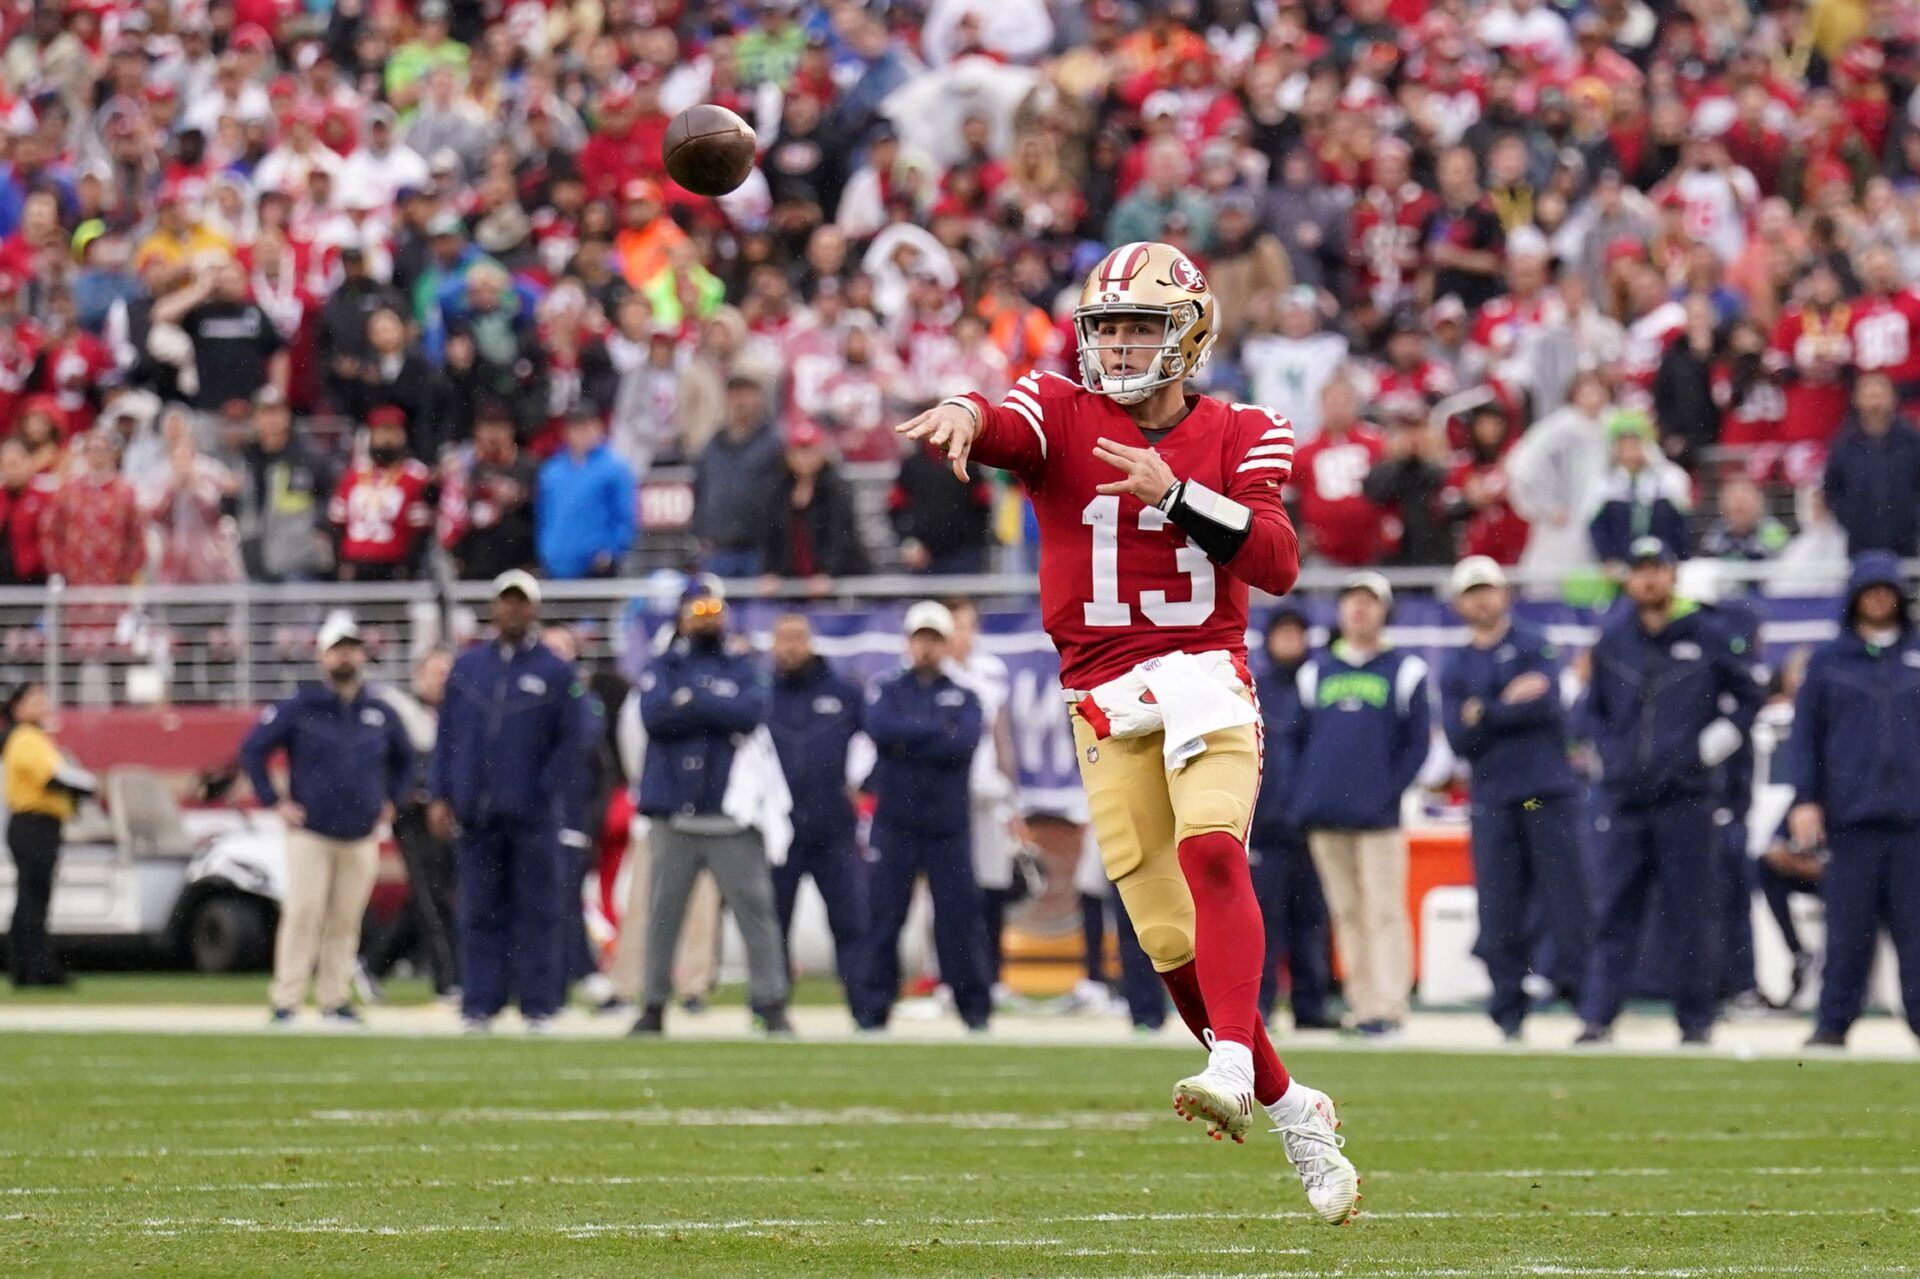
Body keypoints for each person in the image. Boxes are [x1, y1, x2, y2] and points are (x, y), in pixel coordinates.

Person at [895, 240, 1355, 1223]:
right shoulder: (1062, 408)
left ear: (1187, 334)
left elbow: (1276, 561)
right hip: (1101, 691)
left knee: (1212, 850)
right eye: (1105, 327)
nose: (1116, 345)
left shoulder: (1242, 428)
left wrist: (1177, 495)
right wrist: (963, 411)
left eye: (1139, 326)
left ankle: (1233, 1058)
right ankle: (1291, 1104)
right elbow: (1008, 419)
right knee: (1163, 937)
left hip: (1202, 674)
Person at [1576, 537, 1765, 1046]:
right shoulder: (1612, 639)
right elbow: (1588, 710)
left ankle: (1696, 1021)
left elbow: (1749, 696)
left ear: (1672, 575)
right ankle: (1597, 1017)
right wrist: (1610, 754)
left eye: (1657, 568)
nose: (1649, 579)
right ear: (1630, 580)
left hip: (1687, 796)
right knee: (1615, 910)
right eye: (1640, 570)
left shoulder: (1708, 634)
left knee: (1692, 911)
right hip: (1625, 799)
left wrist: (1712, 746)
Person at [429, 572, 593, 1034]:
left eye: (521, 603)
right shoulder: (468, 668)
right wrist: (443, 792)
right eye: (506, 602)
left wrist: (543, 791)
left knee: (538, 910)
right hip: (478, 811)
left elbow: (572, 742)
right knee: (479, 909)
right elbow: (448, 737)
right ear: (494, 608)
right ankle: (481, 1003)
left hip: (533, 814)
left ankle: (539, 1005)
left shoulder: (555, 672)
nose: (513, 611)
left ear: (534, 610)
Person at [630, 578, 792, 1037]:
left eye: (713, 610)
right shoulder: (664, 664)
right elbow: (655, 716)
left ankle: (771, 1002)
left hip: (730, 813)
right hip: (676, 811)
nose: (705, 618)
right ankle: (654, 1004)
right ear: (681, 616)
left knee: (755, 912)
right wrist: (713, 702)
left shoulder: (742, 665)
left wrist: (692, 699)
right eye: (697, 610)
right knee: (663, 915)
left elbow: (750, 712)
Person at [1438, 557, 1591, 1040]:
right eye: (1472, 591)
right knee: (1498, 906)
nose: (1482, 598)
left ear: (1504, 593)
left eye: (1488, 588)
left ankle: (1588, 1004)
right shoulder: (1458, 662)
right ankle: (1508, 1010)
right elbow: (1460, 739)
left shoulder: (1533, 642)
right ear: (1460, 602)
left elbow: (1546, 705)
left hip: (1544, 793)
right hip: (1496, 798)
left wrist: (1486, 710)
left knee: (1567, 899)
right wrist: (1508, 705)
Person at [240, 616, 413, 1025]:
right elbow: (253, 749)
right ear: (322, 655)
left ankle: (334, 998)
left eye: (351, 648)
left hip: (360, 834)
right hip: (311, 831)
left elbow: (407, 759)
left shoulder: (380, 710)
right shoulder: (302, 707)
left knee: (345, 919)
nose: (345, 656)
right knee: (304, 913)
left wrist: (393, 800)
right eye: (338, 648)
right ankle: (287, 999)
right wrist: (274, 800)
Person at [1783, 552, 1920, 1049]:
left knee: (1917, 935)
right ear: (1856, 597)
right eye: (1871, 590)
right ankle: (1833, 1023)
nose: (1880, 598)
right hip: (1851, 819)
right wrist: (1805, 798)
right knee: (1846, 933)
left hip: (1912, 822)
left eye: (1888, 590)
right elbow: (1805, 736)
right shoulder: (1828, 661)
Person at [1288, 572, 1432, 1041]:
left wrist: (1388, 792)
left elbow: (1417, 744)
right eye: (1351, 601)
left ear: (1384, 611)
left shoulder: (1405, 671)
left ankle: (1390, 1005)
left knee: (1384, 908)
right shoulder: (1316, 672)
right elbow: (1299, 740)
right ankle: (1362, 1001)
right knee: (1346, 911)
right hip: (1326, 815)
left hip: (1378, 816)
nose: (1359, 609)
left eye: (1369, 602)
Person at [853, 602, 990, 1032]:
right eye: (920, 638)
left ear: (946, 644)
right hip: (896, 822)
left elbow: (962, 743)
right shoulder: (888, 690)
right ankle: (873, 1011)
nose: (926, 647)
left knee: (958, 919)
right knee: (885, 916)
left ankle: (974, 1011)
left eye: (934, 639)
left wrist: (907, 740)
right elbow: (879, 729)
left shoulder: (965, 695)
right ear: (909, 642)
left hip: (947, 825)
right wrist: (933, 732)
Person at [766, 613, 868, 1008]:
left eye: (798, 638)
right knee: (773, 921)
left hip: (833, 826)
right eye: (784, 638)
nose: (792, 647)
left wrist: (862, 786)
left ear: (811, 642)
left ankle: (864, 1007)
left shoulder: (844, 693)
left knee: (850, 918)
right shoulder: (761, 695)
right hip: (779, 830)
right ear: (774, 644)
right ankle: (772, 1007)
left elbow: (876, 741)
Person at [1247, 605, 1334, 1030]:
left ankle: (1310, 1007)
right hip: (1265, 830)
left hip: (1309, 826)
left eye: (1296, 634)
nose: (1289, 642)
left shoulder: (1319, 688)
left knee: (1311, 922)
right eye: (1282, 634)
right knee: (1263, 925)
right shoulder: (1253, 690)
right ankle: (1259, 1007)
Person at [363, 648, 459, 1000]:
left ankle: (374, 964)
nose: (442, 679)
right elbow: (391, 760)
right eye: (436, 672)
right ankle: (448, 980)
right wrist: (402, 793)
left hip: (448, 813)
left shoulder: (452, 715)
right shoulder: (403, 712)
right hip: (415, 814)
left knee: (429, 896)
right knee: (432, 897)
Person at [946, 597, 1028, 1005]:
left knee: (992, 887)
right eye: (957, 626)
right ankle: (949, 977)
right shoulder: (932, 671)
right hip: (946, 792)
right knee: (949, 890)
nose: (964, 635)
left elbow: (1002, 736)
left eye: (969, 626)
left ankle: (991, 975)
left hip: (987, 789)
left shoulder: (989, 670)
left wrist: (1013, 801)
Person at [3, 683, 96, 987]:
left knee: (31, 897)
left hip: (34, 824)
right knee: (34, 898)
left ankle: (28, 969)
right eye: (35, 699)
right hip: (34, 823)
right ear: (17, 707)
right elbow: (53, 776)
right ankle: (35, 970)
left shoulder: (31, 737)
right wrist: (86, 785)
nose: (43, 704)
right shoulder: (26, 737)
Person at [1822, 372, 1920, 558]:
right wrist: (1848, 518)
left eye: (1881, 391)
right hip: (1859, 543)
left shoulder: (1912, 440)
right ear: (1856, 398)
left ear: (1893, 397)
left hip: (1906, 542)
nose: (1875, 397)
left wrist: (1912, 516)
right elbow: (1832, 489)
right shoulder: (1843, 444)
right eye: (1868, 391)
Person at [536, 408, 637, 579]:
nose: (583, 434)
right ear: (567, 432)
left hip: (596, 566)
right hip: (555, 566)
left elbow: (625, 515)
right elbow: (544, 515)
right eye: (577, 428)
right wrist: (545, 550)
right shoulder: (552, 470)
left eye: (588, 427)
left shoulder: (614, 468)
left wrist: (611, 551)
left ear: (600, 428)